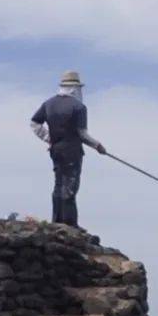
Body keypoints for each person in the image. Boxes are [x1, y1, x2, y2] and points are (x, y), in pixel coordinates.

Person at [30, 71, 107, 227]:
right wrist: (98, 146)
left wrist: (49, 138)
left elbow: (34, 123)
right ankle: (69, 224)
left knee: (58, 184)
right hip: (72, 151)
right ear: (74, 88)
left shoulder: (48, 103)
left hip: (56, 150)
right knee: (70, 186)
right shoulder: (79, 107)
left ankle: (56, 221)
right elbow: (82, 134)